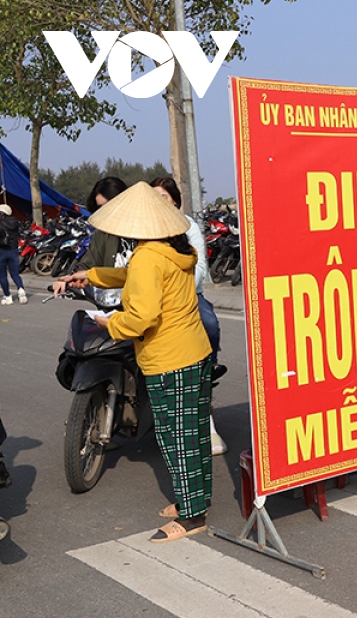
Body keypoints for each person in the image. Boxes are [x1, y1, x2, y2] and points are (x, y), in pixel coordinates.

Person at [61, 182, 213, 542]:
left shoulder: (147, 256)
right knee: (191, 432)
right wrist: (92, 274)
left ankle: (192, 517)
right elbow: (134, 276)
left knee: (177, 437)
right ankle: (194, 499)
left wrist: (108, 321)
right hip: (193, 350)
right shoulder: (175, 248)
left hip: (169, 357)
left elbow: (139, 317)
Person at [149, 177, 228, 456]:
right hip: (150, 295)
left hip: (187, 295)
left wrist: (175, 290)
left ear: (174, 199)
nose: (160, 202)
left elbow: (200, 269)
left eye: (164, 197)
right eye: (154, 196)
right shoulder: (144, 228)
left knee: (209, 323)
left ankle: (209, 372)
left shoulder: (188, 226)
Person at [53, 177, 131, 303]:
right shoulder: (102, 234)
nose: (105, 211)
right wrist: (71, 279)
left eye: (110, 205)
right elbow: (89, 263)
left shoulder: (145, 233)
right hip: (110, 305)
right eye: (100, 207)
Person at [0, 204, 26, 305]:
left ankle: (8, 297)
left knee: (2, 276)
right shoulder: (16, 223)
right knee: (15, 274)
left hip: (1, 251)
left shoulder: (1, 223)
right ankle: (20, 289)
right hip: (14, 250)